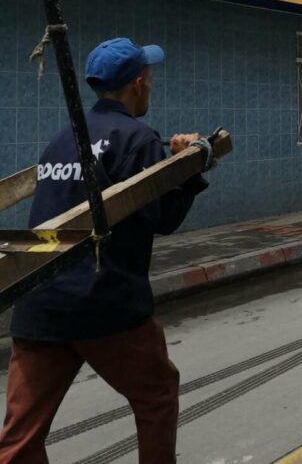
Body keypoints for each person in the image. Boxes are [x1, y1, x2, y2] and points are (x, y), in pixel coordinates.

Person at [0, 37, 209, 463]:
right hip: (105, 304)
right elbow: (163, 217)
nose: (150, 86)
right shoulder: (137, 138)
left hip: (38, 304)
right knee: (156, 396)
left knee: (20, 438)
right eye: (149, 79)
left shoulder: (62, 140)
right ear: (137, 84)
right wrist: (191, 166)